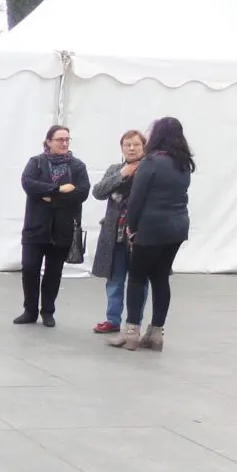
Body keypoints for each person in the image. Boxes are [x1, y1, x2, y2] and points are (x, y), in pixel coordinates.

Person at [109, 116, 194, 352]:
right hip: (178, 227)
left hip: (151, 227)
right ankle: (156, 333)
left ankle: (131, 334)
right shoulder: (183, 163)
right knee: (161, 277)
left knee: (137, 277)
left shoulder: (151, 162)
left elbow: (136, 199)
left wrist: (132, 227)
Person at [15, 125, 90, 327]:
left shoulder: (77, 166)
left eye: (67, 139)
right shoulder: (36, 162)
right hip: (35, 227)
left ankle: (48, 311)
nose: (64, 143)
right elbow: (28, 184)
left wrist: (51, 197)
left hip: (62, 229)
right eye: (59, 139)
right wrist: (58, 188)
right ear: (48, 141)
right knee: (30, 268)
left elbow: (81, 193)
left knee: (53, 272)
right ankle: (30, 310)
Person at [91, 129, 149, 334]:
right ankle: (112, 319)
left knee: (139, 281)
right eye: (127, 145)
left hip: (139, 235)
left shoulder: (150, 168)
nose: (131, 148)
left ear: (144, 147)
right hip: (115, 234)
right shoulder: (115, 169)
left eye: (136, 144)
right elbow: (98, 192)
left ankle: (134, 322)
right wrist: (122, 175)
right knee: (114, 280)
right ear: (122, 148)